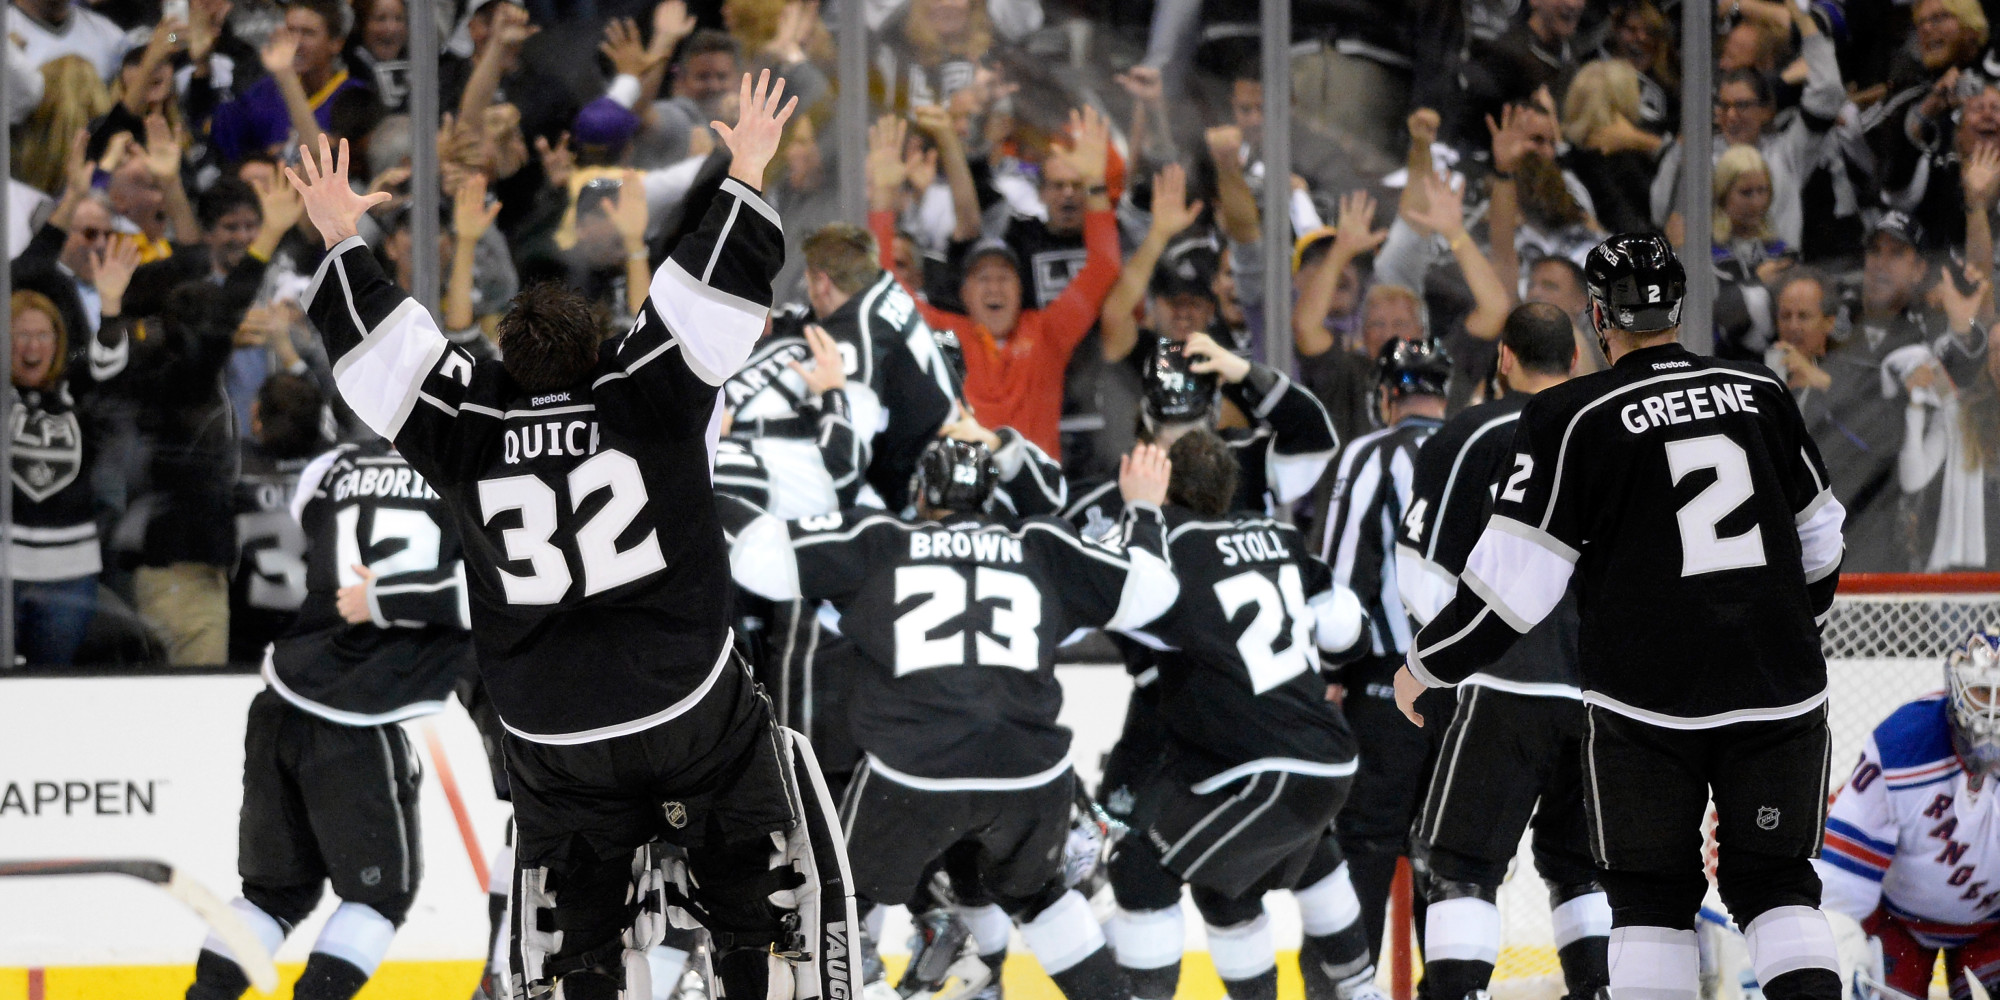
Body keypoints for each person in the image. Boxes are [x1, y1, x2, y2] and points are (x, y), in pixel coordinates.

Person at [286, 71, 856, 1000]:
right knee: (746, 849)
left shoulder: (468, 422)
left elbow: (385, 353)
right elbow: (708, 291)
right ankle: (751, 955)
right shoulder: (644, 389)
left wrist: (339, 235)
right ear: (601, 350)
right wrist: (745, 165)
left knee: (578, 913)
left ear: (505, 367)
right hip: (682, 696)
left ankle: (591, 966)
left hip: (546, 720)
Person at [1397, 233, 1847, 1000]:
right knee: (1777, 885)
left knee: (1647, 903)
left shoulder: (1574, 416)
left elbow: (1513, 593)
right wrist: (1776, 632)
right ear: (1677, 305)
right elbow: (1822, 538)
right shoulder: (1760, 389)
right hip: (1781, 690)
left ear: (1598, 318)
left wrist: (1424, 667)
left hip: (1648, 706)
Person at [728, 439, 1181, 1000]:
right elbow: (1153, 592)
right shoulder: (1041, 542)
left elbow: (759, 557)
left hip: (914, 774)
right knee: (1039, 897)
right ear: (990, 497)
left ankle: (880, 981)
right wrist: (1143, 510)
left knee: (836, 899)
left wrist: (692, 480)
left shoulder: (883, 538)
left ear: (921, 492)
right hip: (1032, 775)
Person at [184, 436, 471, 1000]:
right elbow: (489, 591)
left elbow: (311, 520)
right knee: (381, 898)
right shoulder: (467, 471)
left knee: (273, 893)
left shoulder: (335, 463)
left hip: (280, 695)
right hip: (355, 715)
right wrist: (393, 597)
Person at [1102, 429, 1382, 1000]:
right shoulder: (1280, 534)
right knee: (1232, 881)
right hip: (1324, 759)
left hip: (1258, 771)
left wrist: (1139, 509)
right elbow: (1350, 633)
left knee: (1140, 866)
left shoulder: (1172, 539)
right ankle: (1361, 989)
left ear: (1168, 488)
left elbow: (1112, 589)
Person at [1394, 302, 1610, 1000]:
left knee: (1461, 865)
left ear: (1504, 360)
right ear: (1575, 361)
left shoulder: (1468, 434)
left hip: (1499, 685)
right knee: (1582, 868)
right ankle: (1597, 991)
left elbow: (1421, 576)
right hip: (1604, 697)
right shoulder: (1609, 429)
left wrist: (1444, 664)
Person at [1302, 336, 1453, 963]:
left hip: (1387, 683)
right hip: (1474, 690)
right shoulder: (1483, 446)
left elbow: (1339, 580)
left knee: (1363, 844)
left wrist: (1331, 671)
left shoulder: (1370, 454)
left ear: (1387, 395)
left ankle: (1347, 986)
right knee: (1451, 859)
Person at [1816, 629, 2000, 1000]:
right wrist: (1838, 942)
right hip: (1899, 926)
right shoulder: (1903, 745)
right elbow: (1841, 881)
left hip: (1993, 929)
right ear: (1956, 687)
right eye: (1983, 693)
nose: (1994, 713)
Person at [9, 277, 132, 667]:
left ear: (58, 341)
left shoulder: (74, 394)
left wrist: (110, 310)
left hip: (69, 574)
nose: (32, 347)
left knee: (52, 688)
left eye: (42, 335)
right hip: (5, 572)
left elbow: (107, 366)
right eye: (20, 335)